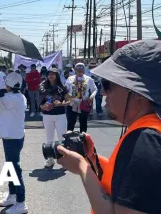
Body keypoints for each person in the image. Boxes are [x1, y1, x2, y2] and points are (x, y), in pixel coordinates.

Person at [57, 40, 161, 214]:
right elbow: (124, 181)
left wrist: (83, 167)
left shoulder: (146, 140)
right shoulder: (148, 130)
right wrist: (93, 160)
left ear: (138, 95)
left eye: (108, 85)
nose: (103, 93)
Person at [0, 72, 28, 214]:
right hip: (14, 136)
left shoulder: (9, 99)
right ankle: (13, 195)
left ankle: (21, 202)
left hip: (12, 138)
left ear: (8, 84)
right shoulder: (19, 96)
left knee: (14, 168)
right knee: (10, 166)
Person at [39, 68, 71, 168]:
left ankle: (64, 159)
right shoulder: (42, 86)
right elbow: (40, 102)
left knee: (62, 138)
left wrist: (61, 103)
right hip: (47, 116)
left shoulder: (62, 87)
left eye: (53, 74)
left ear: (57, 75)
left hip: (60, 115)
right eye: (49, 74)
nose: (51, 76)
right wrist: (42, 107)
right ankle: (50, 159)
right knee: (49, 138)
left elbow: (68, 101)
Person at [65, 63, 97, 133]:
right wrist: (68, 95)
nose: (79, 71)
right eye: (78, 69)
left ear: (84, 70)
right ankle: (69, 139)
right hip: (72, 103)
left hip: (83, 104)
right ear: (75, 70)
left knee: (83, 122)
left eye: (81, 69)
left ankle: (83, 139)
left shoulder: (89, 79)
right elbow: (65, 89)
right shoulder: (70, 79)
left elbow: (94, 89)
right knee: (71, 122)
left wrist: (91, 96)